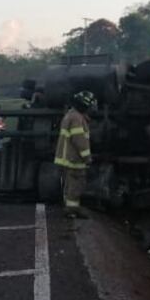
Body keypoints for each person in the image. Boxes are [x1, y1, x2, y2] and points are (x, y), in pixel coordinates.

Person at [54, 91, 95, 219]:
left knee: (70, 183)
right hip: (74, 158)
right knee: (76, 184)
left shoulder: (70, 115)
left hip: (68, 158)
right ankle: (72, 210)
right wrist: (87, 158)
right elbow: (79, 141)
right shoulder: (77, 118)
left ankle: (70, 208)